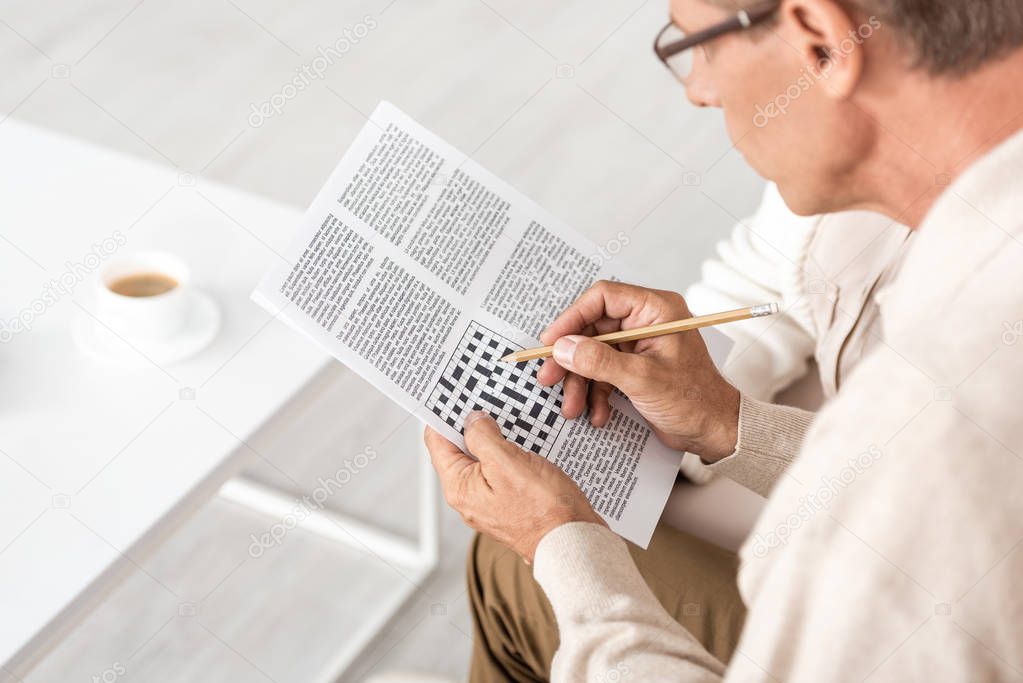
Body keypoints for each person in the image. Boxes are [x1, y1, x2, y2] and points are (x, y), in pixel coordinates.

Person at [425, 0, 1023, 680]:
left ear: (821, 41)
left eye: (696, 45)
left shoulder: (937, 420)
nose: (696, 89)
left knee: (512, 564)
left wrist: (556, 542)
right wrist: (730, 422)